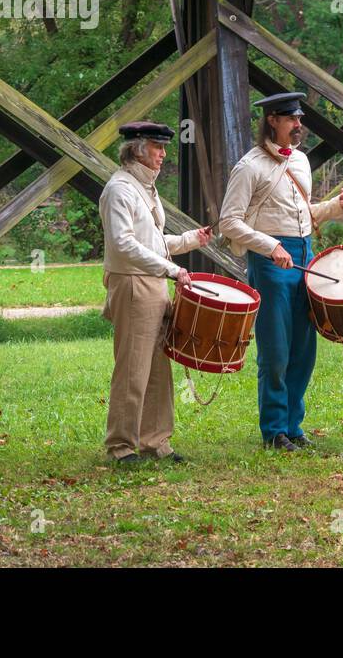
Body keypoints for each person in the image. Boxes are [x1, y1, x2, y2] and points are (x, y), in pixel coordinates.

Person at [217, 92, 343, 451]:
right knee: (276, 351)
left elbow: (305, 213)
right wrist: (269, 246)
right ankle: (274, 430)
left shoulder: (301, 162)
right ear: (273, 122)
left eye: (299, 119)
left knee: (303, 348)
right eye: (291, 120)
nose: (299, 126)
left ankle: (294, 426)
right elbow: (228, 222)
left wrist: (337, 206)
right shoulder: (249, 166)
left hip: (304, 255)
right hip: (270, 263)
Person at [99, 121, 211, 465]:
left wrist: (191, 239)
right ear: (137, 149)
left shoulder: (142, 187)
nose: (164, 153)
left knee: (159, 369)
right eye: (157, 147)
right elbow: (123, 244)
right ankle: (121, 446)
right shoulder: (120, 189)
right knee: (133, 369)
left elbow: (151, 242)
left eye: (163, 147)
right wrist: (173, 270)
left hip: (151, 281)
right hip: (133, 283)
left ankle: (155, 441)